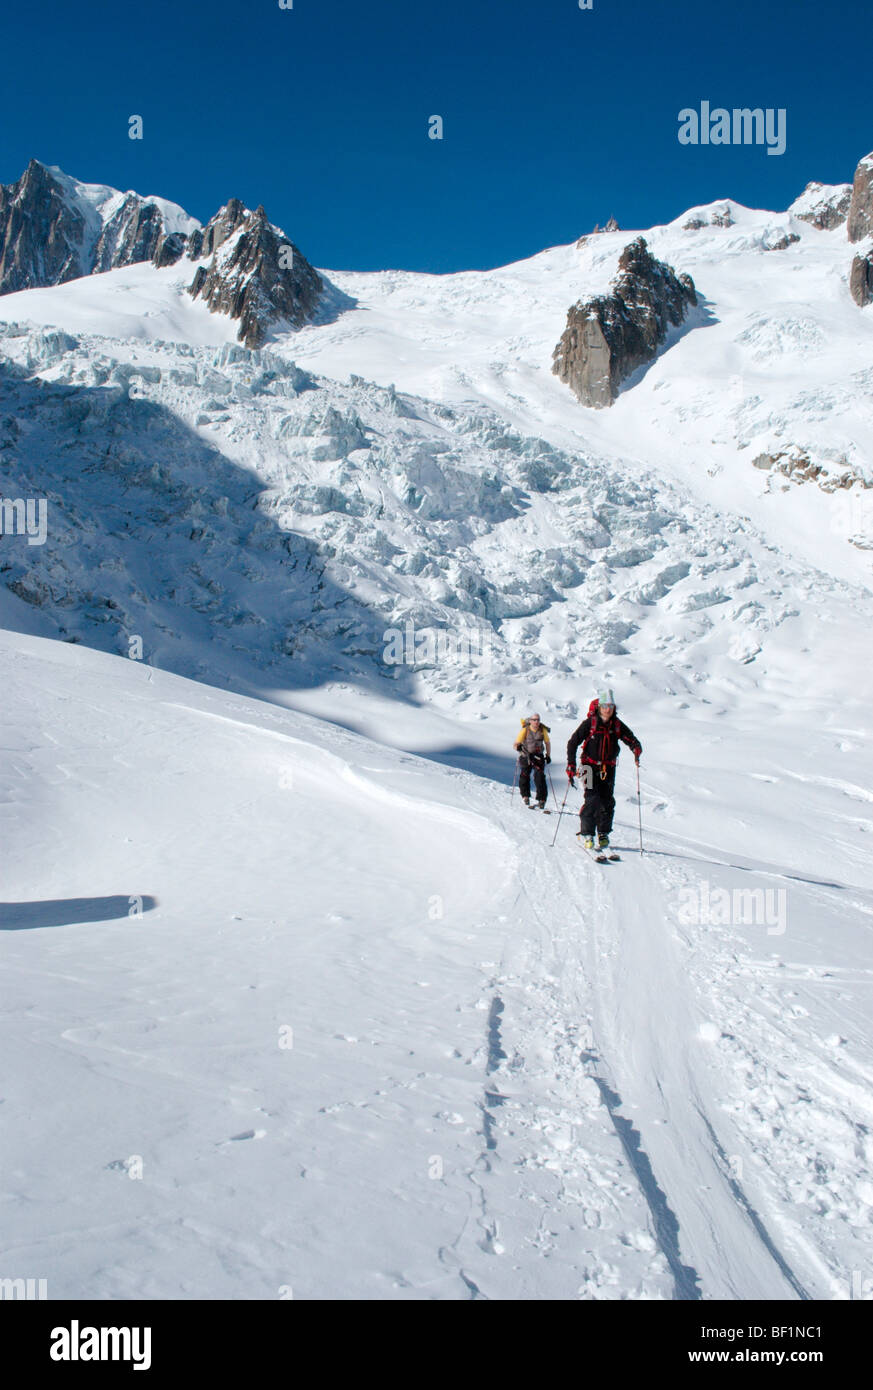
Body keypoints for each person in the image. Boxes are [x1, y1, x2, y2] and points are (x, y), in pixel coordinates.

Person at [565, 689, 641, 850]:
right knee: (592, 799)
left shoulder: (617, 724)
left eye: (611, 706)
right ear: (599, 707)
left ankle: (603, 833)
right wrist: (571, 765)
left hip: (609, 767)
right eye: (605, 705)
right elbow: (573, 742)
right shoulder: (590, 723)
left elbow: (631, 739)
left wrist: (636, 749)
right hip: (588, 766)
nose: (608, 709)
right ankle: (587, 833)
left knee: (607, 801)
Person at [514, 713, 551, 809]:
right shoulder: (525, 730)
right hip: (525, 755)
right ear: (530, 721)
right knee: (525, 775)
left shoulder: (543, 730)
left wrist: (548, 755)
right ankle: (525, 796)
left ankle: (542, 799)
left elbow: (547, 743)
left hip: (538, 756)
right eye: (534, 720)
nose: (536, 721)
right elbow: (516, 743)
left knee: (539, 776)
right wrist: (518, 747)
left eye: (538, 719)